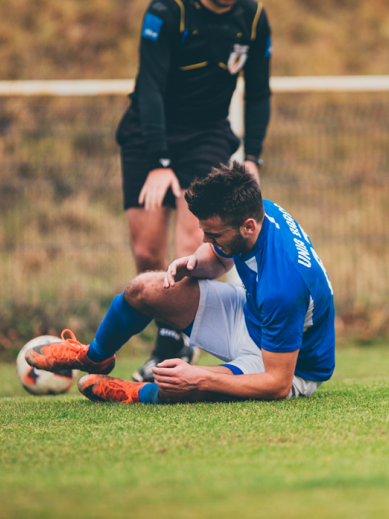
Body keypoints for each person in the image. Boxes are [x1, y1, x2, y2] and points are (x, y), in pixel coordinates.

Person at [26, 162, 335, 403]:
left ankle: (134, 392)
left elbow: (277, 384)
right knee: (143, 289)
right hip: (253, 313)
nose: (205, 239)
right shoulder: (258, 210)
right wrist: (197, 263)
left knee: (182, 382)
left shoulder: (283, 288)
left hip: (289, 366)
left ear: (248, 226)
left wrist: (201, 377)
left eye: (213, 234)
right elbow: (220, 258)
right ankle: (95, 357)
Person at [117, 0, 273, 382]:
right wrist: (159, 161)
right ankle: (169, 329)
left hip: (206, 135)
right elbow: (150, 86)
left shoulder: (252, 18)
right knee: (146, 251)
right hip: (148, 130)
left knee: (195, 238)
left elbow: (258, 91)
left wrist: (252, 154)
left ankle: (173, 345)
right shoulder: (168, 12)